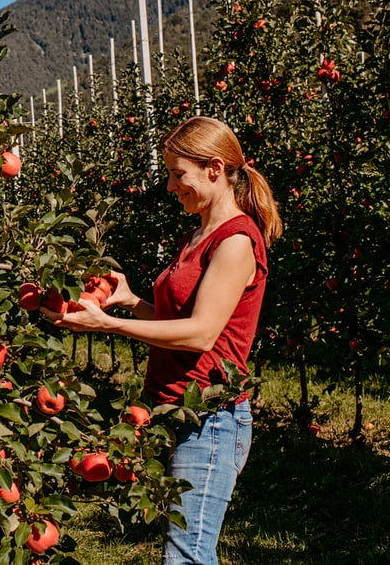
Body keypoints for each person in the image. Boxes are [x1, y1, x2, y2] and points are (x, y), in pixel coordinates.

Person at [43, 116, 281, 565]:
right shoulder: (196, 235)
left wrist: (108, 327)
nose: (171, 187)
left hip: (210, 418)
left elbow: (200, 334)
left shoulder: (235, 242)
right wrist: (131, 301)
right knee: (179, 547)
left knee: (187, 554)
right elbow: (179, 320)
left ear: (214, 168)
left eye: (178, 174)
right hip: (168, 407)